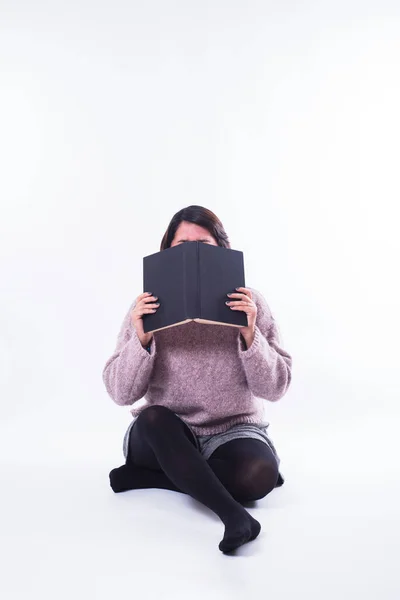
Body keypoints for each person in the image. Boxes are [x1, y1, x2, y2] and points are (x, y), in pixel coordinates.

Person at [102, 205, 293, 553]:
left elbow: (276, 388)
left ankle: (162, 478)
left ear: (221, 250)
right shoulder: (143, 307)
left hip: (232, 431)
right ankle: (234, 515)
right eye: (181, 245)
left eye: (203, 244)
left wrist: (250, 335)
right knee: (155, 416)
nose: (191, 252)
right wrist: (142, 339)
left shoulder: (251, 304)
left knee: (259, 475)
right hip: (164, 436)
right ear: (166, 253)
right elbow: (120, 392)